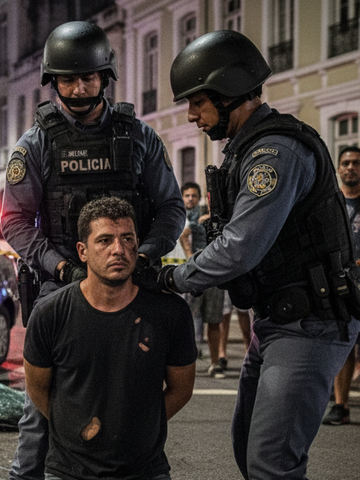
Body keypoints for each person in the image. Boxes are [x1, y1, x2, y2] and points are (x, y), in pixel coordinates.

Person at [153, 30, 360, 479]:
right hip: (276, 321)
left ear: (228, 92)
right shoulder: (246, 150)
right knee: (248, 447)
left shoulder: (275, 153)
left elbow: (240, 247)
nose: (191, 115)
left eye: (197, 102)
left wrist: (171, 278)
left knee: (271, 463)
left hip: (309, 323)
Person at [0, 21, 185, 480]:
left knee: (134, 394)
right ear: (54, 82)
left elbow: (170, 208)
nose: (79, 89)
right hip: (62, 283)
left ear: (105, 76)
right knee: (38, 415)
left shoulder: (139, 137)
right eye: (68, 80)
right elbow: (15, 221)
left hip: (130, 280)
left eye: (88, 78)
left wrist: (144, 255)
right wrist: (62, 267)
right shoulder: (36, 143)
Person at [23, 197, 196, 480]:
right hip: (69, 471)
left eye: (127, 239)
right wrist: (74, 427)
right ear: (82, 251)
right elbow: (37, 389)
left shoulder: (170, 312)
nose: (119, 250)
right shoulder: (50, 313)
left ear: (137, 244)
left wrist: (137, 428)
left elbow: (181, 389)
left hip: (144, 470)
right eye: (104, 240)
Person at [323, 146, 360, 426]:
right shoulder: (330, 204)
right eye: (346, 163)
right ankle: (341, 405)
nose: (350, 167)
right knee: (343, 344)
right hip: (342, 284)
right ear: (338, 169)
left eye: (356, 163)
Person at [178, 181, 226, 377]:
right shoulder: (181, 216)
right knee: (188, 321)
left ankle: (215, 363)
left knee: (214, 320)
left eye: (194, 196)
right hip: (193, 274)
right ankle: (184, 365)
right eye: (187, 195)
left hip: (212, 274)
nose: (190, 199)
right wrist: (190, 255)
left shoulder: (209, 217)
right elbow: (183, 236)